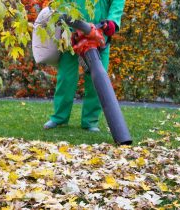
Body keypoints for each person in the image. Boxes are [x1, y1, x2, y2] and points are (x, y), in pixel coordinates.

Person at [44, 0, 125, 132]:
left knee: (97, 82)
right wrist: (62, 18)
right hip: (71, 33)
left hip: (99, 33)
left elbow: (117, 3)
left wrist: (112, 22)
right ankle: (59, 117)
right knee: (66, 77)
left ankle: (90, 121)